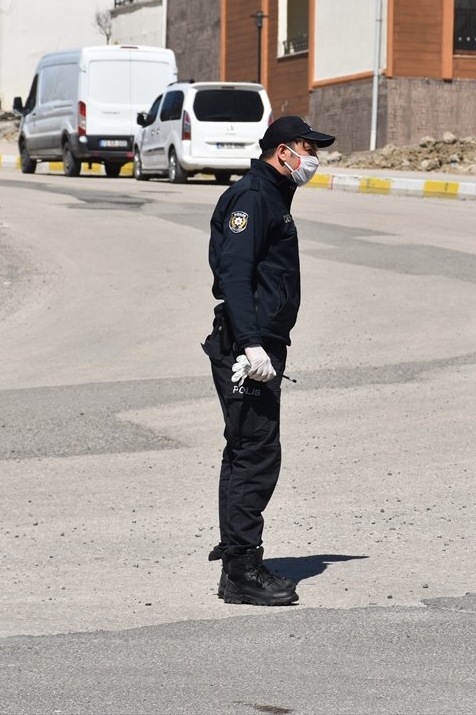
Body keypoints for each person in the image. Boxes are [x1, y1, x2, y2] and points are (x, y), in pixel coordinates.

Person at [202, 115, 334, 606]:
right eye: (308, 148)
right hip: (248, 348)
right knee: (256, 452)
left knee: (244, 447)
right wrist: (251, 343)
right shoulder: (254, 197)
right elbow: (235, 275)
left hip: (258, 341)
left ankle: (234, 554)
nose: (313, 158)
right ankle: (242, 570)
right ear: (283, 151)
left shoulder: (274, 194)